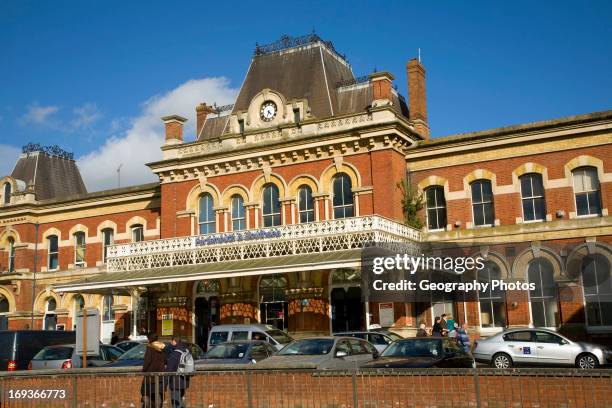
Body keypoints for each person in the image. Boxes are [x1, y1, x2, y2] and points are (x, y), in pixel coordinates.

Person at [142, 333, 166, 408]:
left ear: (150, 339)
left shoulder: (149, 348)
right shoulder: (163, 347)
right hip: (160, 376)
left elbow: (147, 361)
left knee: (145, 394)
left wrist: (144, 370)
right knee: (158, 394)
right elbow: (165, 360)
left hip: (150, 376)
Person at [166, 336, 189, 408]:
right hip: (184, 380)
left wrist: (165, 381)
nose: (171, 343)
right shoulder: (185, 351)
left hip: (175, 381)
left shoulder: (175, 353)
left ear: (174, 342)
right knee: (180, 399)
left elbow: (169, 369)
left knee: (176, 402)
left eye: (171, 341)